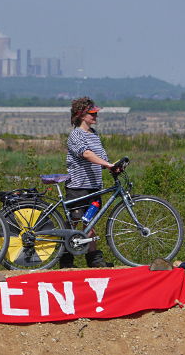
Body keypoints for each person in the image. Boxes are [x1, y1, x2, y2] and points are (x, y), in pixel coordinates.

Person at [61, 96, 117, 268]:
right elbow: (86, 154)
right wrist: (106, 163)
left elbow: (101, 156)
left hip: (94, 187)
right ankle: (65, 261)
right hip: (79, 186)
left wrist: (112, 166)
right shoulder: (75, 135)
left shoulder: (94, 134)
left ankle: (95, 261)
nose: (95, 117)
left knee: (90, 223)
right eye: (92, 114)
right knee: (74, 224)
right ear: (82, 115)